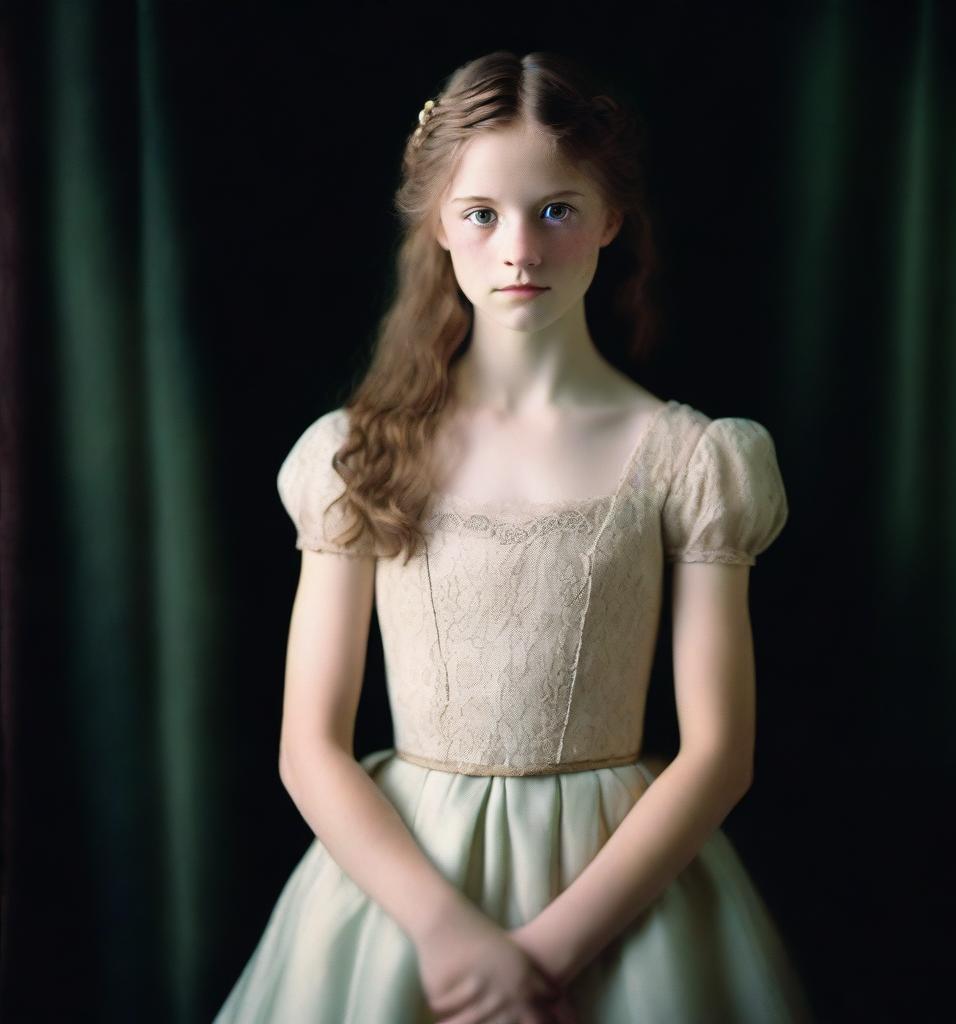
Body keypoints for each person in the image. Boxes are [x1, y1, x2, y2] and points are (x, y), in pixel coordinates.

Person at [214, 50, 814, 1024]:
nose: (520, 251)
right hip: (405, 893)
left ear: (610, 219)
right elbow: (308, 745)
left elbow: (718, 751)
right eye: (483, 213)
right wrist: (448, 933)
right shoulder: (355, 456)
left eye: (556, 209)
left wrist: (546, 953)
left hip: (617, 889)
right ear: (440, 224)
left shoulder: (689, 458)